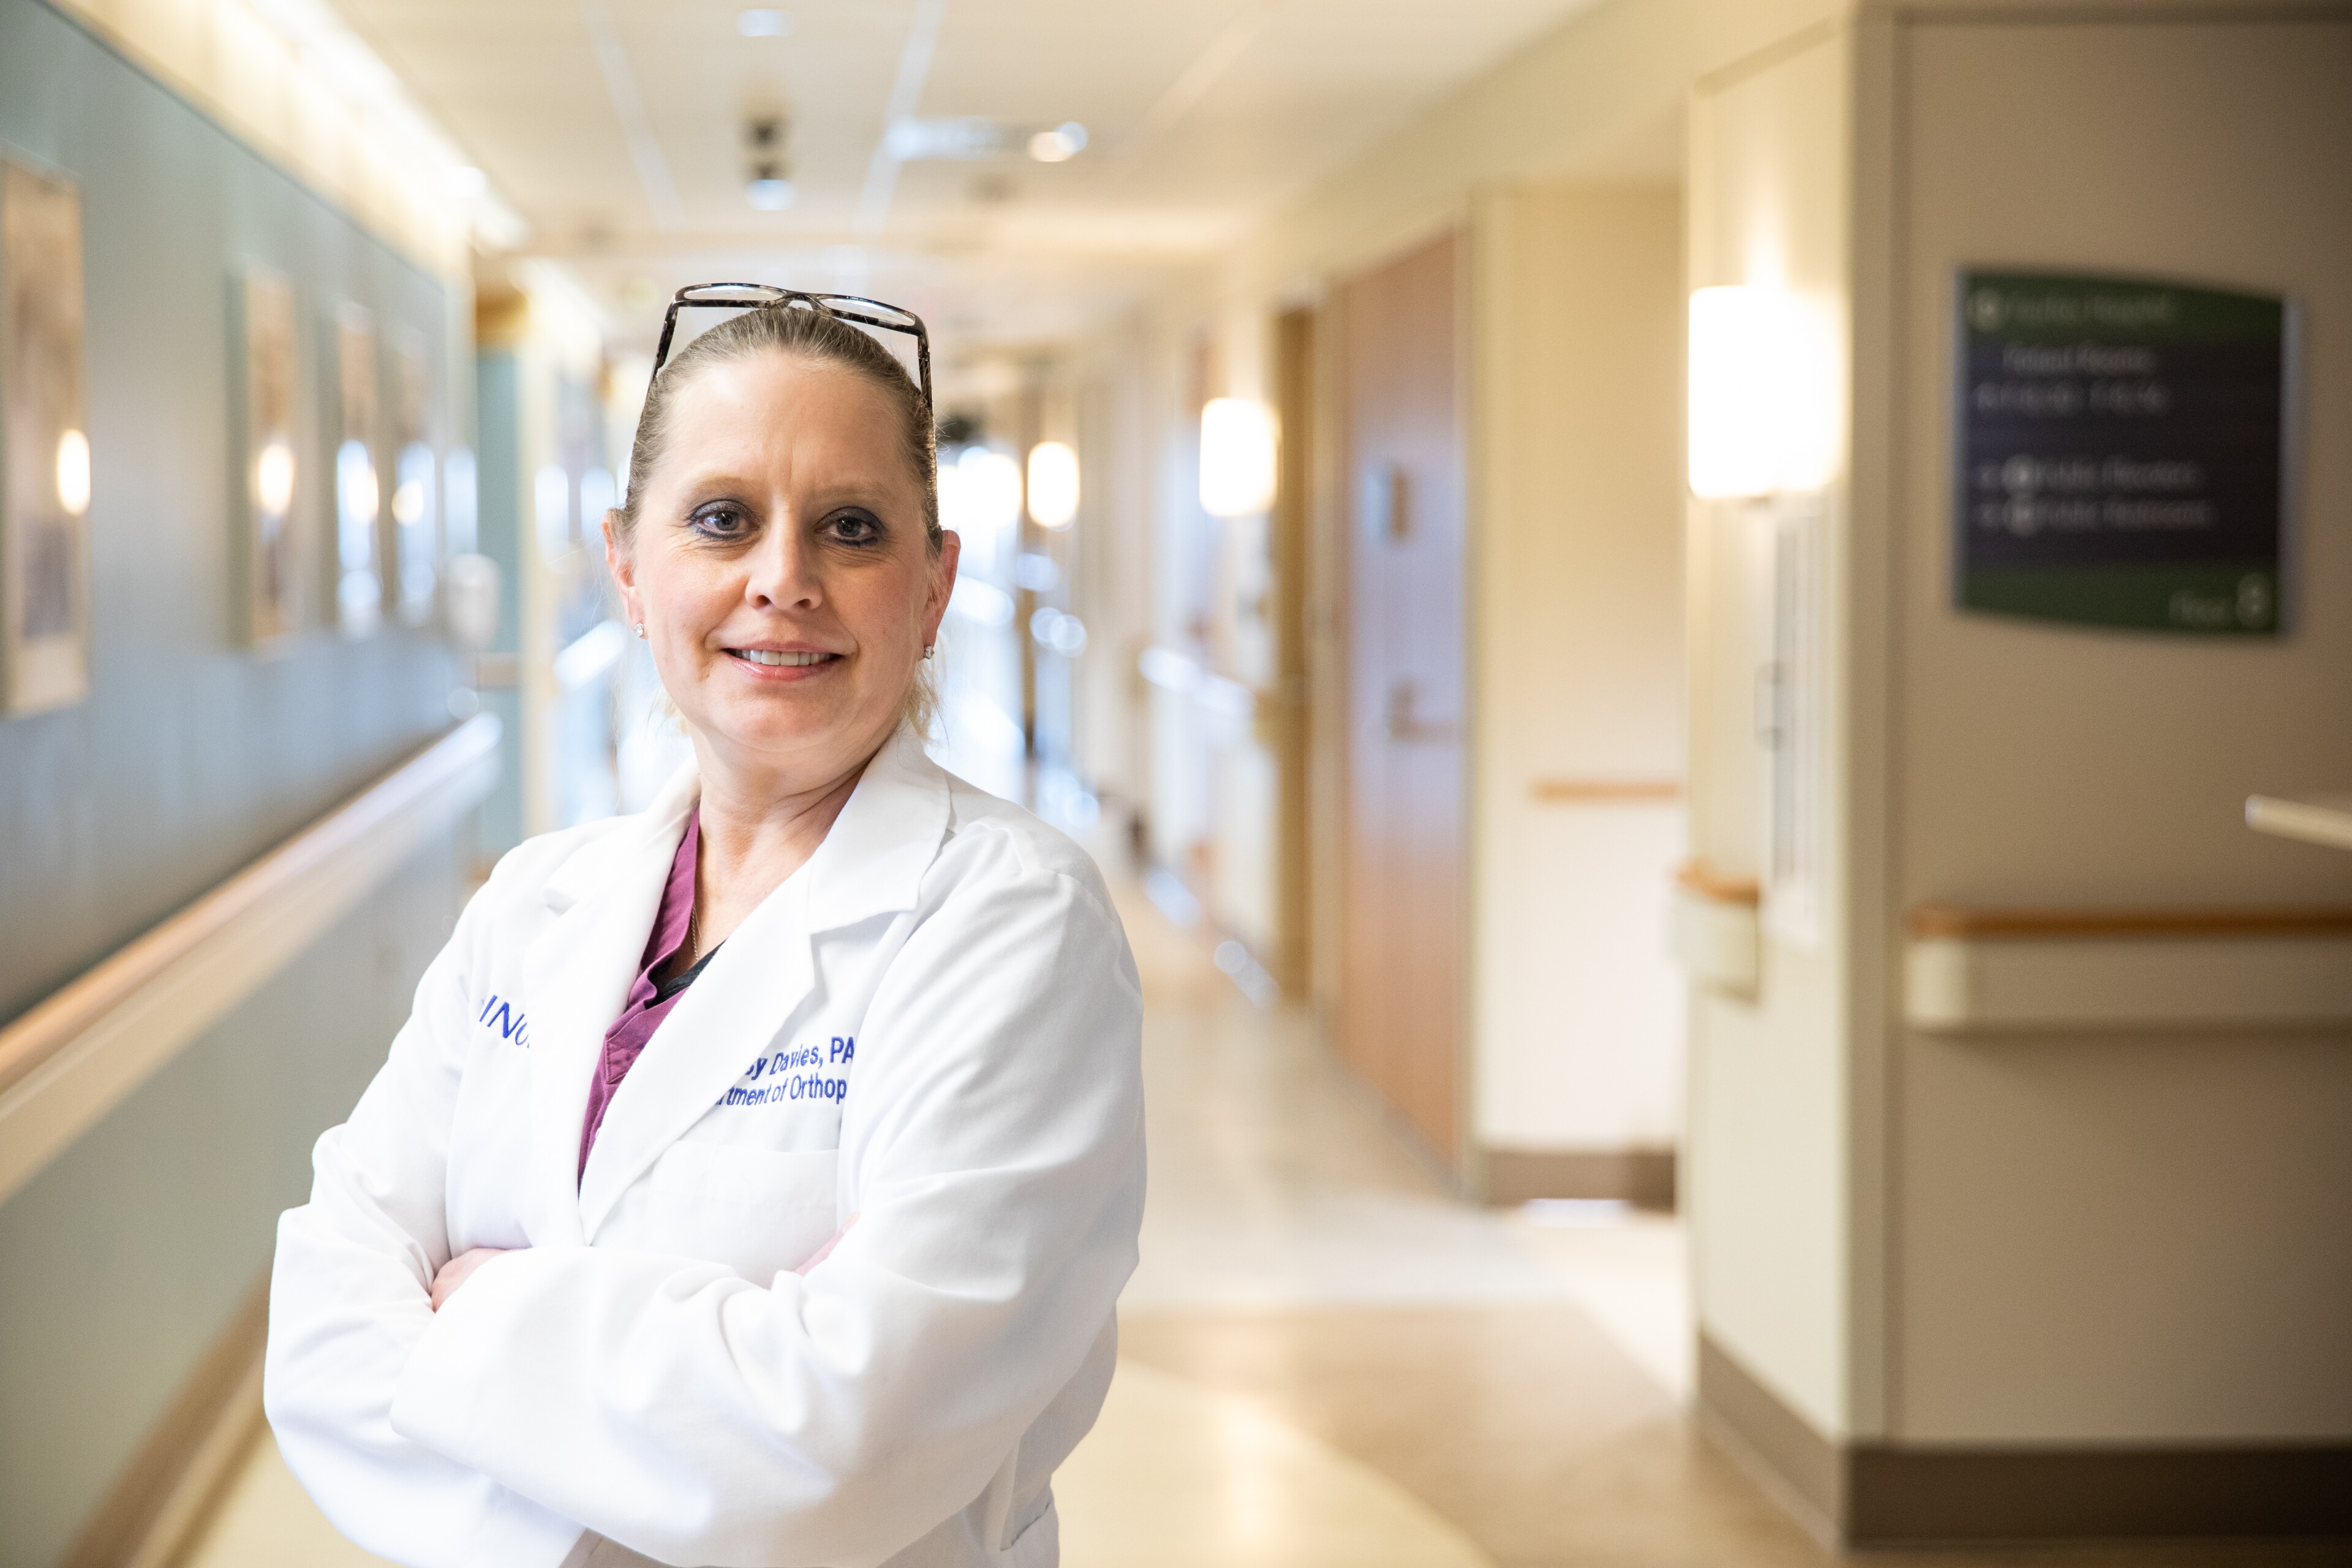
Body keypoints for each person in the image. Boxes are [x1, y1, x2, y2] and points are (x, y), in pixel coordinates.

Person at [264, 292, 1146, 1568]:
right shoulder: (532, 904)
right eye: (722, 518)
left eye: (851, 527)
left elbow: (837, 1441)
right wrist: (702, 1367)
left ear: (937, 582)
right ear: (627, 564)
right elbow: (323, 1335)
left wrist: (485, 1303)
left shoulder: (1015, 926)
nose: (782, 579)